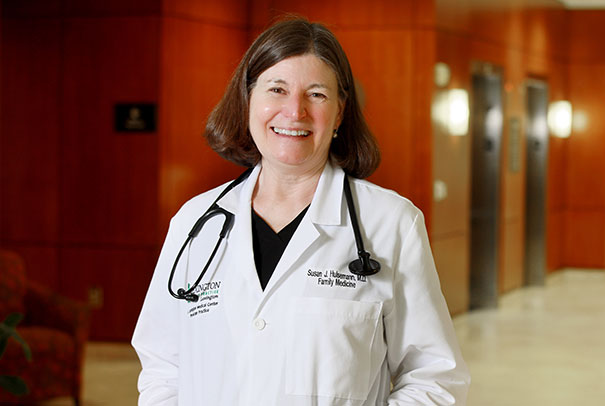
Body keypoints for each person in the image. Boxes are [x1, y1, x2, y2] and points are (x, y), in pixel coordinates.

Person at [132, 17, 470, 405]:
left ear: (340, 112)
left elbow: (435, 377)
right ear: (248, 101)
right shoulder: (195, 222)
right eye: (277, 89)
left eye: (317, 94)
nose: (295, 111)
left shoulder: (390, 224)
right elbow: (162, 367)